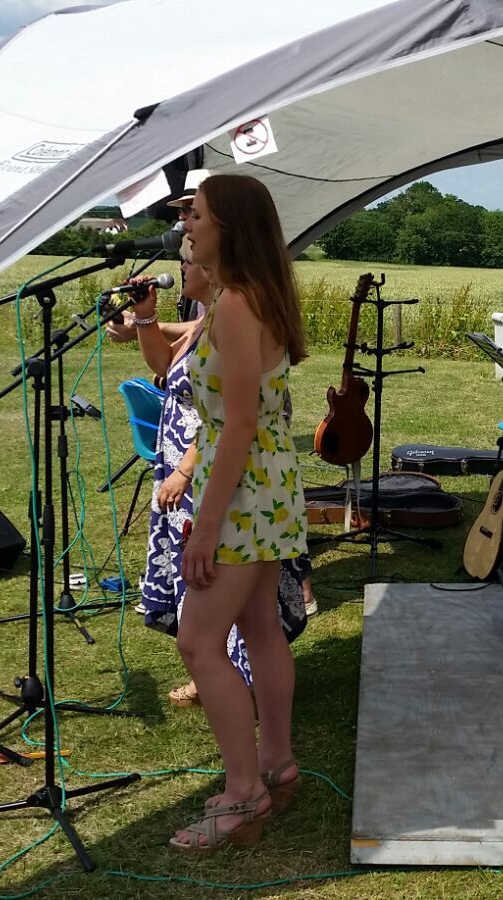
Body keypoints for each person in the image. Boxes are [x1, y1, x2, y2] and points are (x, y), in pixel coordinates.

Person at [150, 174, 310, 851]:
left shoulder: (239, 304)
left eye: (200, 215)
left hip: (244, 490)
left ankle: (244, 792)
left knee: (197, 641)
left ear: (231, 228)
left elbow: (238, 423)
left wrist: (207, 525)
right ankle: (275, 763)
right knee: (261, 627)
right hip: (266, 484)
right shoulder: (239, 297)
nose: (188, 225)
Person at [114, 248, 309, 710]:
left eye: (189, 250)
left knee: (209, 629)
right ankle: (263, 738)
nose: (182, 263)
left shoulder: (237, 310)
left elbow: (232, 419)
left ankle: (234, 702)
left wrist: (189, 479)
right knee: (254, 620)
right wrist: (146, 319)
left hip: (229, 475)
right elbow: (167, 368)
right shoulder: (214, 315)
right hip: (232, 471)